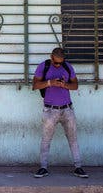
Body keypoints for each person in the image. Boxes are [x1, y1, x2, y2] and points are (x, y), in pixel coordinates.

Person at [32, 47, 88, 178]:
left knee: (73, 139)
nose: (58, 65)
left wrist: (64, 85)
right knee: (46, 139)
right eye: (56, 62)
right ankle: (43, 167)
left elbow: (75, 85)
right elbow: (35, 85)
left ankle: (78, 167)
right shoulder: (43, 66)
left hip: (67, 109)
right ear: (51, 57)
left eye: (61, 63)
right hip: (50, 110)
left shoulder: (68, 67)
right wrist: (50, 82)